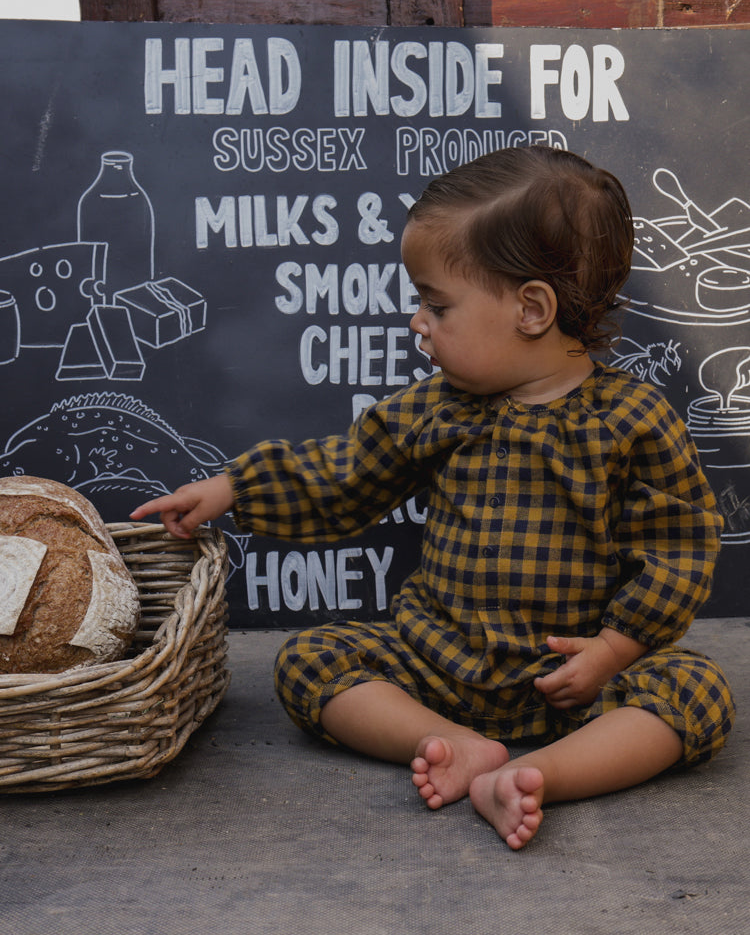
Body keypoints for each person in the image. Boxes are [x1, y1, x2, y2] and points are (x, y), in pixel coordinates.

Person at [131, 146, 735, 850]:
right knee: (307, 661)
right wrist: (236, 487)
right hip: (437, 664)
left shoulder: (632, 420)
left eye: (436, 304)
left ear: (531, 308)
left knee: (695, 691)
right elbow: (345, 474)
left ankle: (542, 774)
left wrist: (613, 649)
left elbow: (679, 545)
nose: (419, 322)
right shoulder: (437, 409)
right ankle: (454, 745)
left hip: (572, 680)